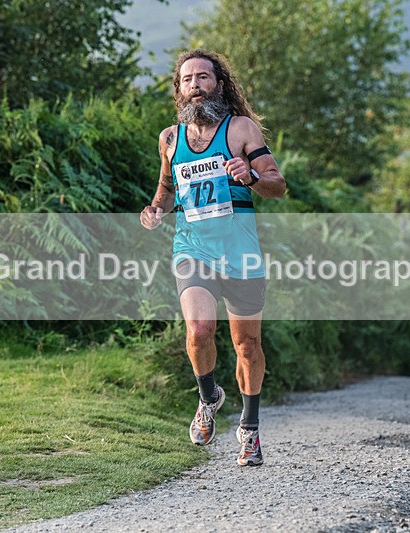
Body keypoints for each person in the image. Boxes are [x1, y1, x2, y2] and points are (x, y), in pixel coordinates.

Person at [140, 49, 286, 466]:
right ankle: (209, 398)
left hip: (240, 254)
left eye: (204, 77)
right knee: (200, 330)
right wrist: (155, 210)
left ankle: (250, 429)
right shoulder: (170, 139)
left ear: (218, 85)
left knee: (246, 345)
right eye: (188, 80)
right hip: (193, 249)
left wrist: (252, 176)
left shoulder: (241, 129)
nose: (196, 86)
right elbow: (166, 191)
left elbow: (278, 184)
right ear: (179, 90)